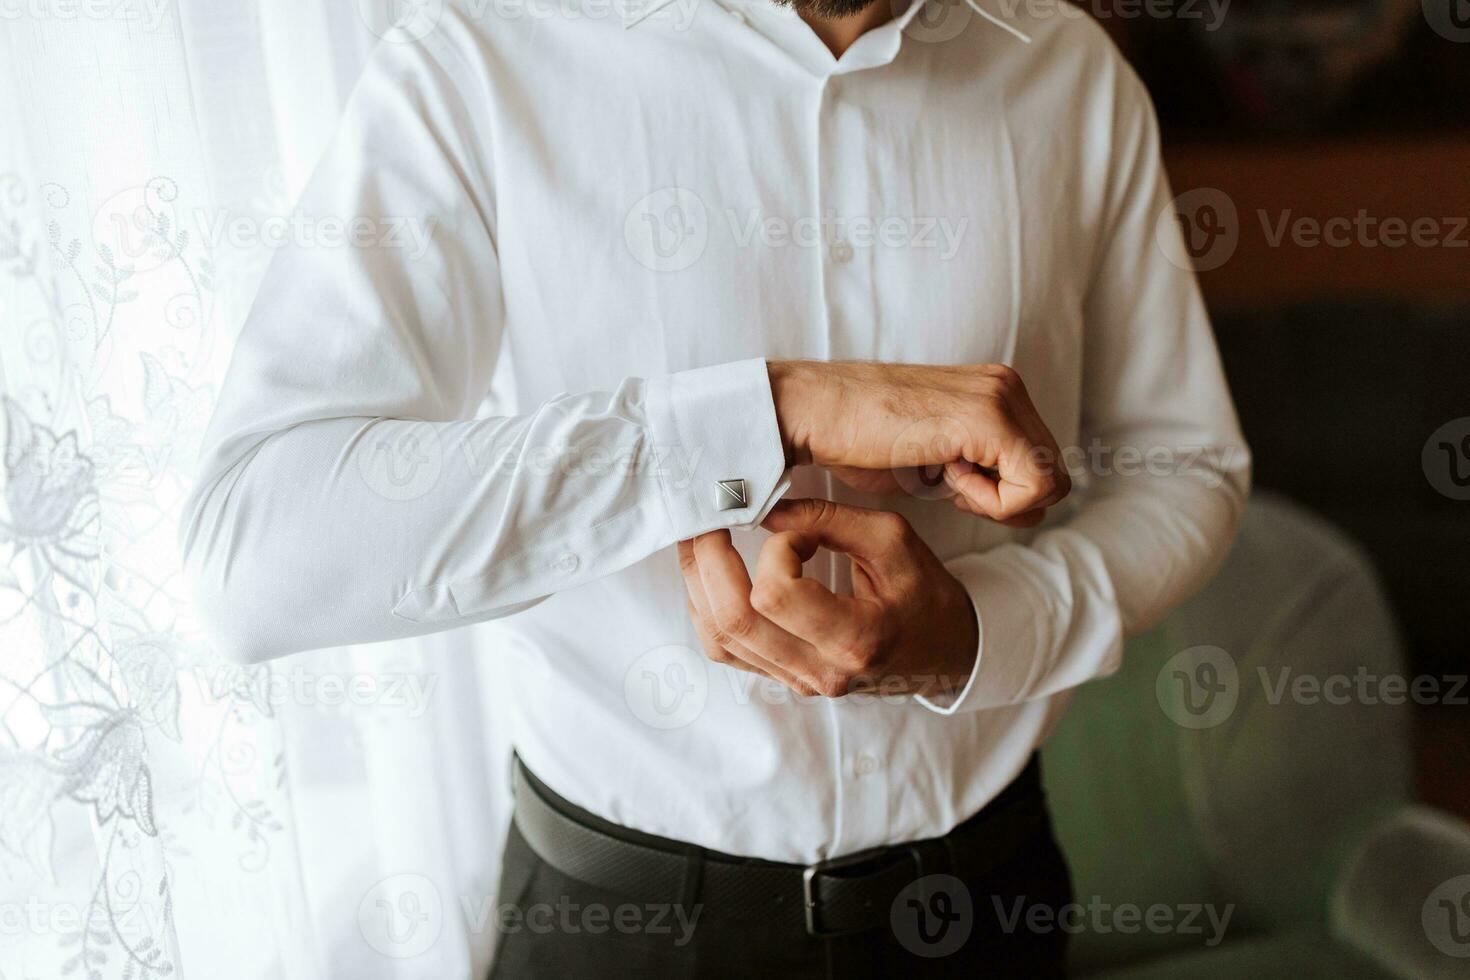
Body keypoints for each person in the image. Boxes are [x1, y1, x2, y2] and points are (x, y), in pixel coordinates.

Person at [180, 0, 1249, 975]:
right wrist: (765, 413)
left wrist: (982, 630)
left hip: (987, 908)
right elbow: (257, 550)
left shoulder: (1067, 70)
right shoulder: (477, 59)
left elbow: (1187, 466)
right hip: (623, 931)